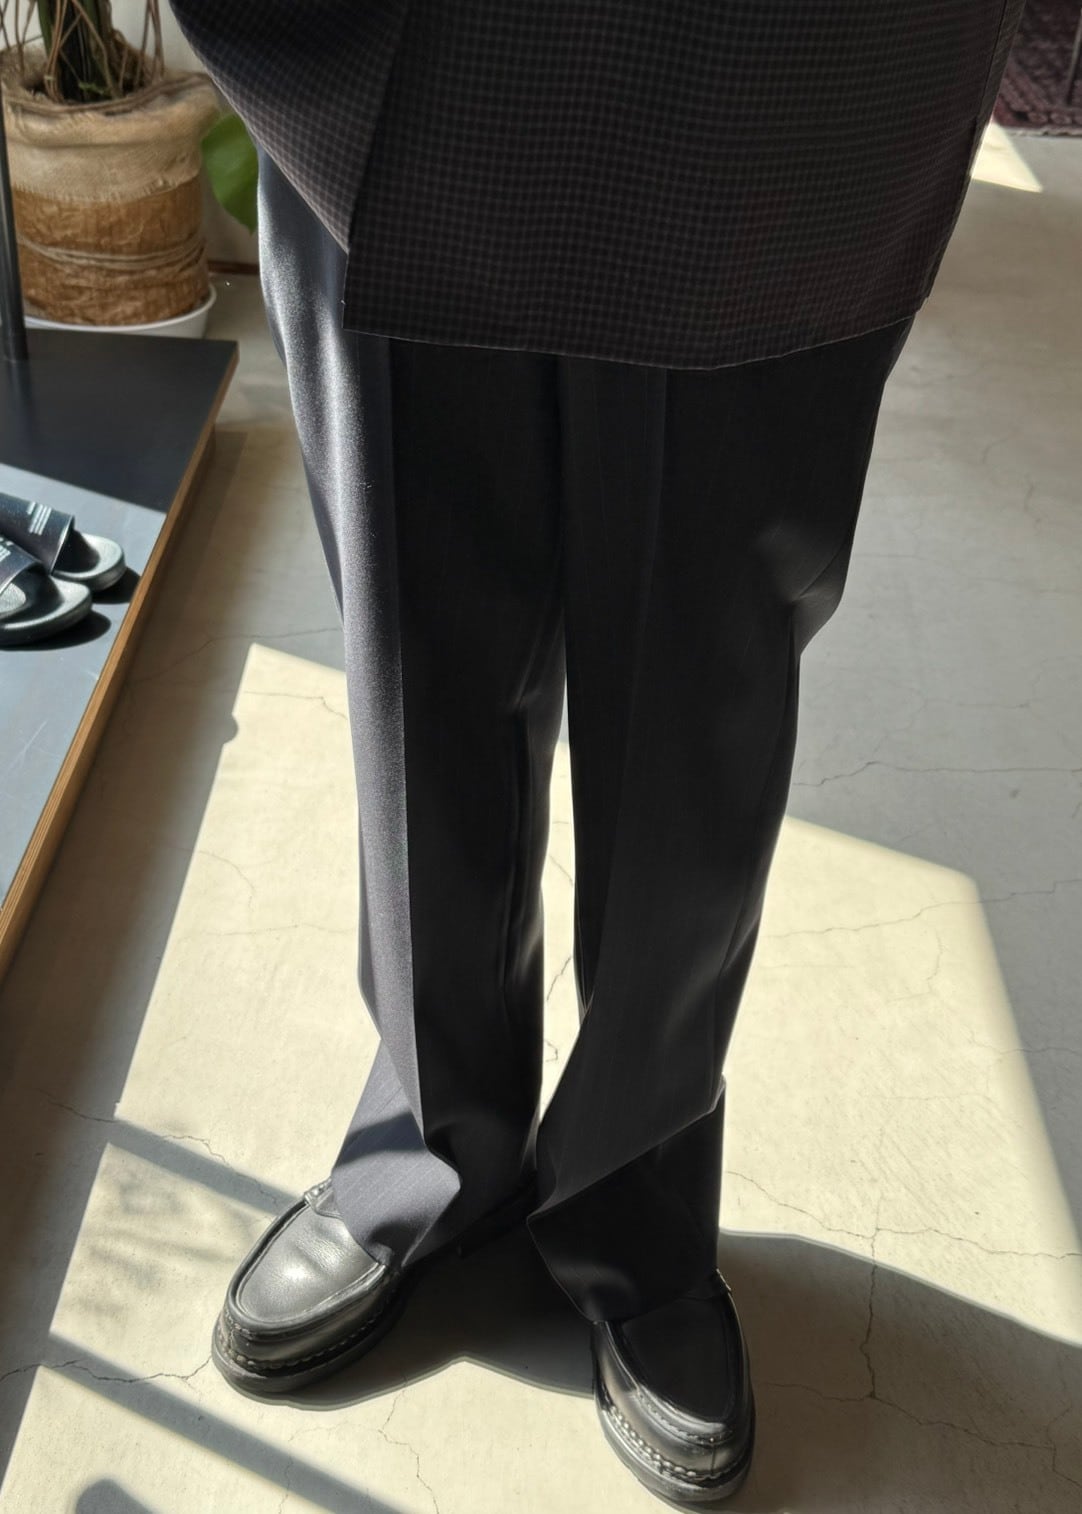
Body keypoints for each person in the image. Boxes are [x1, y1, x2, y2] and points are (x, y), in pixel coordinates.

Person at [168, 2, 1024, 1502]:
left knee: (700, 698)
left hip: (772, 69)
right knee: (414, 651)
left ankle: (638, 1198)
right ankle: (433, 1143)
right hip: (392, 59)